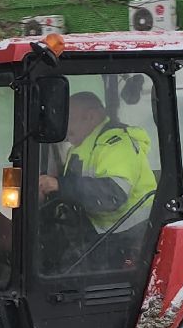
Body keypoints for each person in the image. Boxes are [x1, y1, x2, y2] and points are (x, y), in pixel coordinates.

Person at [38, 90, 157, 232]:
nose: (64, 127)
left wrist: (59, 184)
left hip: (133, 232)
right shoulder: (80, 148)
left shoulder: (117, 145)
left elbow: (112, 196)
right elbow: (75, 190)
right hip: (102, 230)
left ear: (91, 117)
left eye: (68, 120)